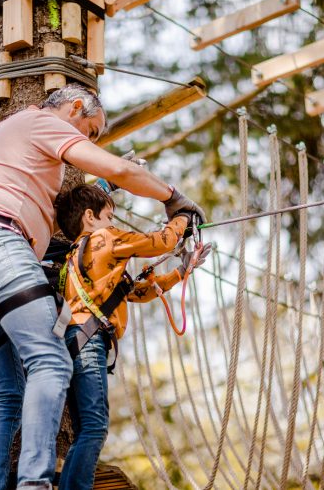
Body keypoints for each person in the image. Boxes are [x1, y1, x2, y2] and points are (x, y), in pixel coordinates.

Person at [0, 84, 206, 490]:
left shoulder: (15, 139)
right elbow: (121, 169)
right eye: (91, 131)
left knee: (7, 393)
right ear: (76, 107)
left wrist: (103, 194)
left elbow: (49, 209)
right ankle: (34, 484)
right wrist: (175, 200)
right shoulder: (43, 122)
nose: (87, 141)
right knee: (50, 362)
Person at [54, 184, 211, 490]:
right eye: (109, 216)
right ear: (90, 217)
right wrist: (182, 218)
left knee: (87, 428)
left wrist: (180, 271)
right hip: (88, 341)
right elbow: (160, 241)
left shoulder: (80, 256)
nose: (113, 223)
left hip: (75, 341)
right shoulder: (103, 237)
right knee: (95, 427)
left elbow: (136, 292)